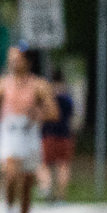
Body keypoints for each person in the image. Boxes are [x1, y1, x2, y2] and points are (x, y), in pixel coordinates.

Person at [0, 46, 58, 213]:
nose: (14, 62)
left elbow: (53, 112)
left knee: (26, 184)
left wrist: (38, 112)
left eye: (18, 59)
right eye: (11, 59)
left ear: (27, 61)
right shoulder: (3, 83)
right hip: (9, 132)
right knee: (10, 174)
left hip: (29, 134)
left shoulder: (39, 85)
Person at [37, 70, 76, 201]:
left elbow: (41, 114)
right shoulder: (67, 97)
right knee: (63, 165)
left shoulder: (48, 96)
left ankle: (46, 188)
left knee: (44, 164)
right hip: (64, 134)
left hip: (48, 134)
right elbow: (71, 116)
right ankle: (61, 196)